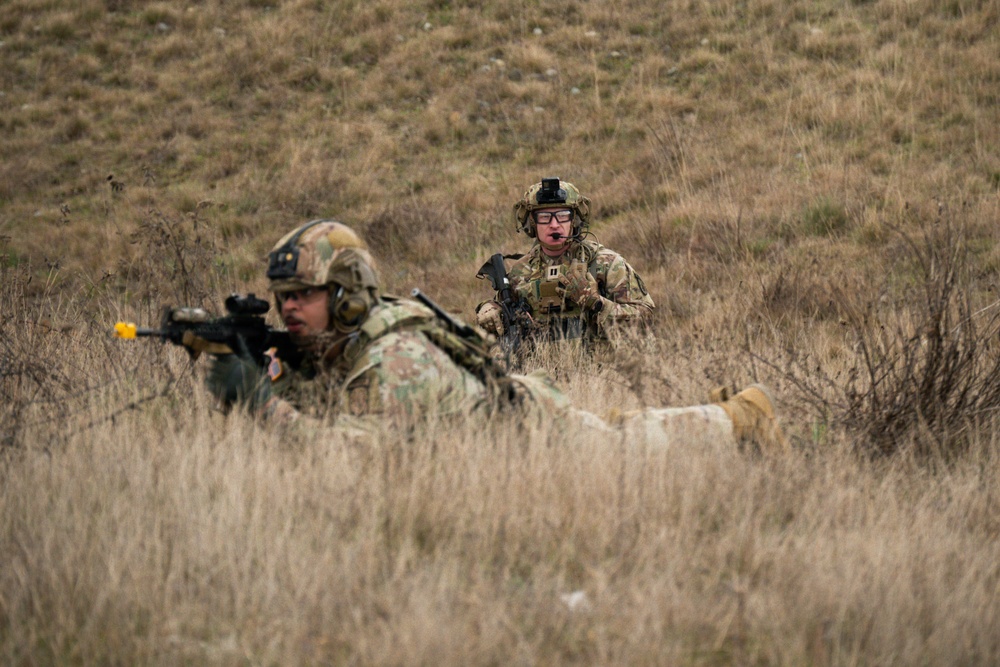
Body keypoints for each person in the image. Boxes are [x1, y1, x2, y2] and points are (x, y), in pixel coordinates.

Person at [205, 219, 789, 455]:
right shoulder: (346, 341)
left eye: (301, 295)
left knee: (628, 447)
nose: (289, 308)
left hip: (535, 439)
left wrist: (262, 403)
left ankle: (744, 416)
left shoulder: (397, 356)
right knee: (620, 429)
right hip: (511, 414)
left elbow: (356, 457)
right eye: (283, 298)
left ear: (345, 294)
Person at [475, 178, 654, 353]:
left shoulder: (606, 264)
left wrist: (596, 303)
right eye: (544, 217)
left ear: (574, 221)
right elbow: (503, 320)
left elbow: (645, 318)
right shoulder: (520, 272)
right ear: (532, 223)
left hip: (600, 374)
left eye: (562, 216)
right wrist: (490, 308)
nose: (554, 225)